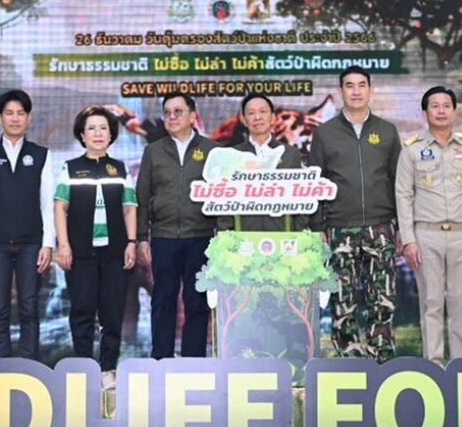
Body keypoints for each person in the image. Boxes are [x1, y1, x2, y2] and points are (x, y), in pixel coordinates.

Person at [309, 65, 401, 362]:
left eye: (362, 85)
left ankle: (381, 358)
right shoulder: (325, 134)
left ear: (370, 90)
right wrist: (318, 226)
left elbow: (398, 180)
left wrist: (400, 227)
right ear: (341, 92)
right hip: (338, 227)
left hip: (381, 226)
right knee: (342, 300)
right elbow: (316, 182)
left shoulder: (387, 131)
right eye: (350, 85)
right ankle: (349, 357)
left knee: (382, 299)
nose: (356, 91)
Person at [396, 86, 462, 364]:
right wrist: (409, 239)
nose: (440, 110)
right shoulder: (412, 149)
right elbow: (403, 194)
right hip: (427, 235)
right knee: (432, 304)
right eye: (434, 106)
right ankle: (433, 364)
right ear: (425, 112)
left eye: (446, 105)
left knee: (461, 302)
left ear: (454, 111)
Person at [0, 89, 55, 360]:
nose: (15, 119)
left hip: (32, 244)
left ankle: (29, 366)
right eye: (9, 113)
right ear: (0, 117)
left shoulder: (41, 155)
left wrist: (48, 243)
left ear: (28, 118)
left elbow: (47, 204)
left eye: (20, 113)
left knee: (30, 306)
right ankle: (1, 367)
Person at [55, 106, 137, 389]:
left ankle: (108, 370)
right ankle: (82, 369)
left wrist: (131, 242)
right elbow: (60, 207)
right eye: (92, 128)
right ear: (82, 134)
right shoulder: (70, 168)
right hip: (81, 253)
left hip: (115, 252)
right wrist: (63, 245)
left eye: (103, 128)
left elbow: (129, 208)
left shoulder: (121, 169)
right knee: (82, 310)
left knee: (113, 313)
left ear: (111, 134)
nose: (98, 133)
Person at [136, 93, 218, 359]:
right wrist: (141, 238)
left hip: (201, 237)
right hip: (164, 237)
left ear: (193, 116)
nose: (172, 117)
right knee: (163, 300)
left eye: (178, 111)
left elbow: (222, 194)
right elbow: (142, 197)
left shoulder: (212, 151)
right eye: (167, 112)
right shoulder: (153, 151)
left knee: (196, 301)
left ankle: (194, 360)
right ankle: (161, 358)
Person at [218, 93, 305, 232]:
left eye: (263, 112)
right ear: (244, 120)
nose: (257, 117)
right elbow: (225, 204)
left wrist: (300, 234)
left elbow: (302, 200)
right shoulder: (233, 155)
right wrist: (226, 235)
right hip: (244, 237)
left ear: (273, 118)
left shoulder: (290, 154)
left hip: (283, 237)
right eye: (251, 113)